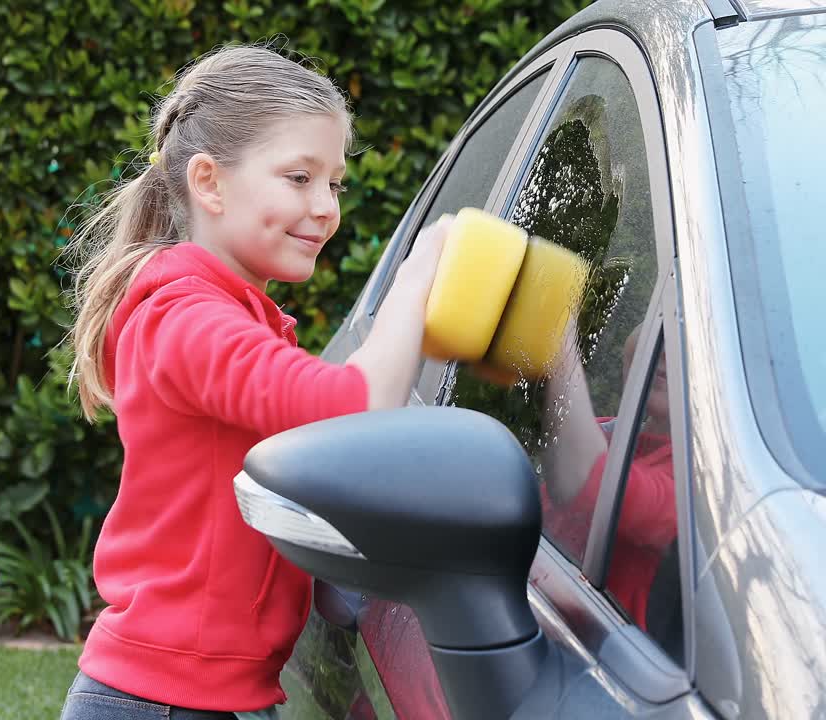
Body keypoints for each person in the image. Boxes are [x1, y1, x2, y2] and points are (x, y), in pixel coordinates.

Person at [59, 44, 449, 719]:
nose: (325, 207)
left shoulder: (231, 316)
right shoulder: (186, 319)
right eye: (299, 178)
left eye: (335, 184)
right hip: (164, 702)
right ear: (209, 183)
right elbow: (349, 410)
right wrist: (416, 282)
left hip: (202, 696)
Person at [541, 322, 676, 631]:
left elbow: (588, 480)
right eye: (661, 322)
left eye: (689, 334)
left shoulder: (700, 494)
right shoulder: (606, 433)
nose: (665, 349)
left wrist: (555, 330)